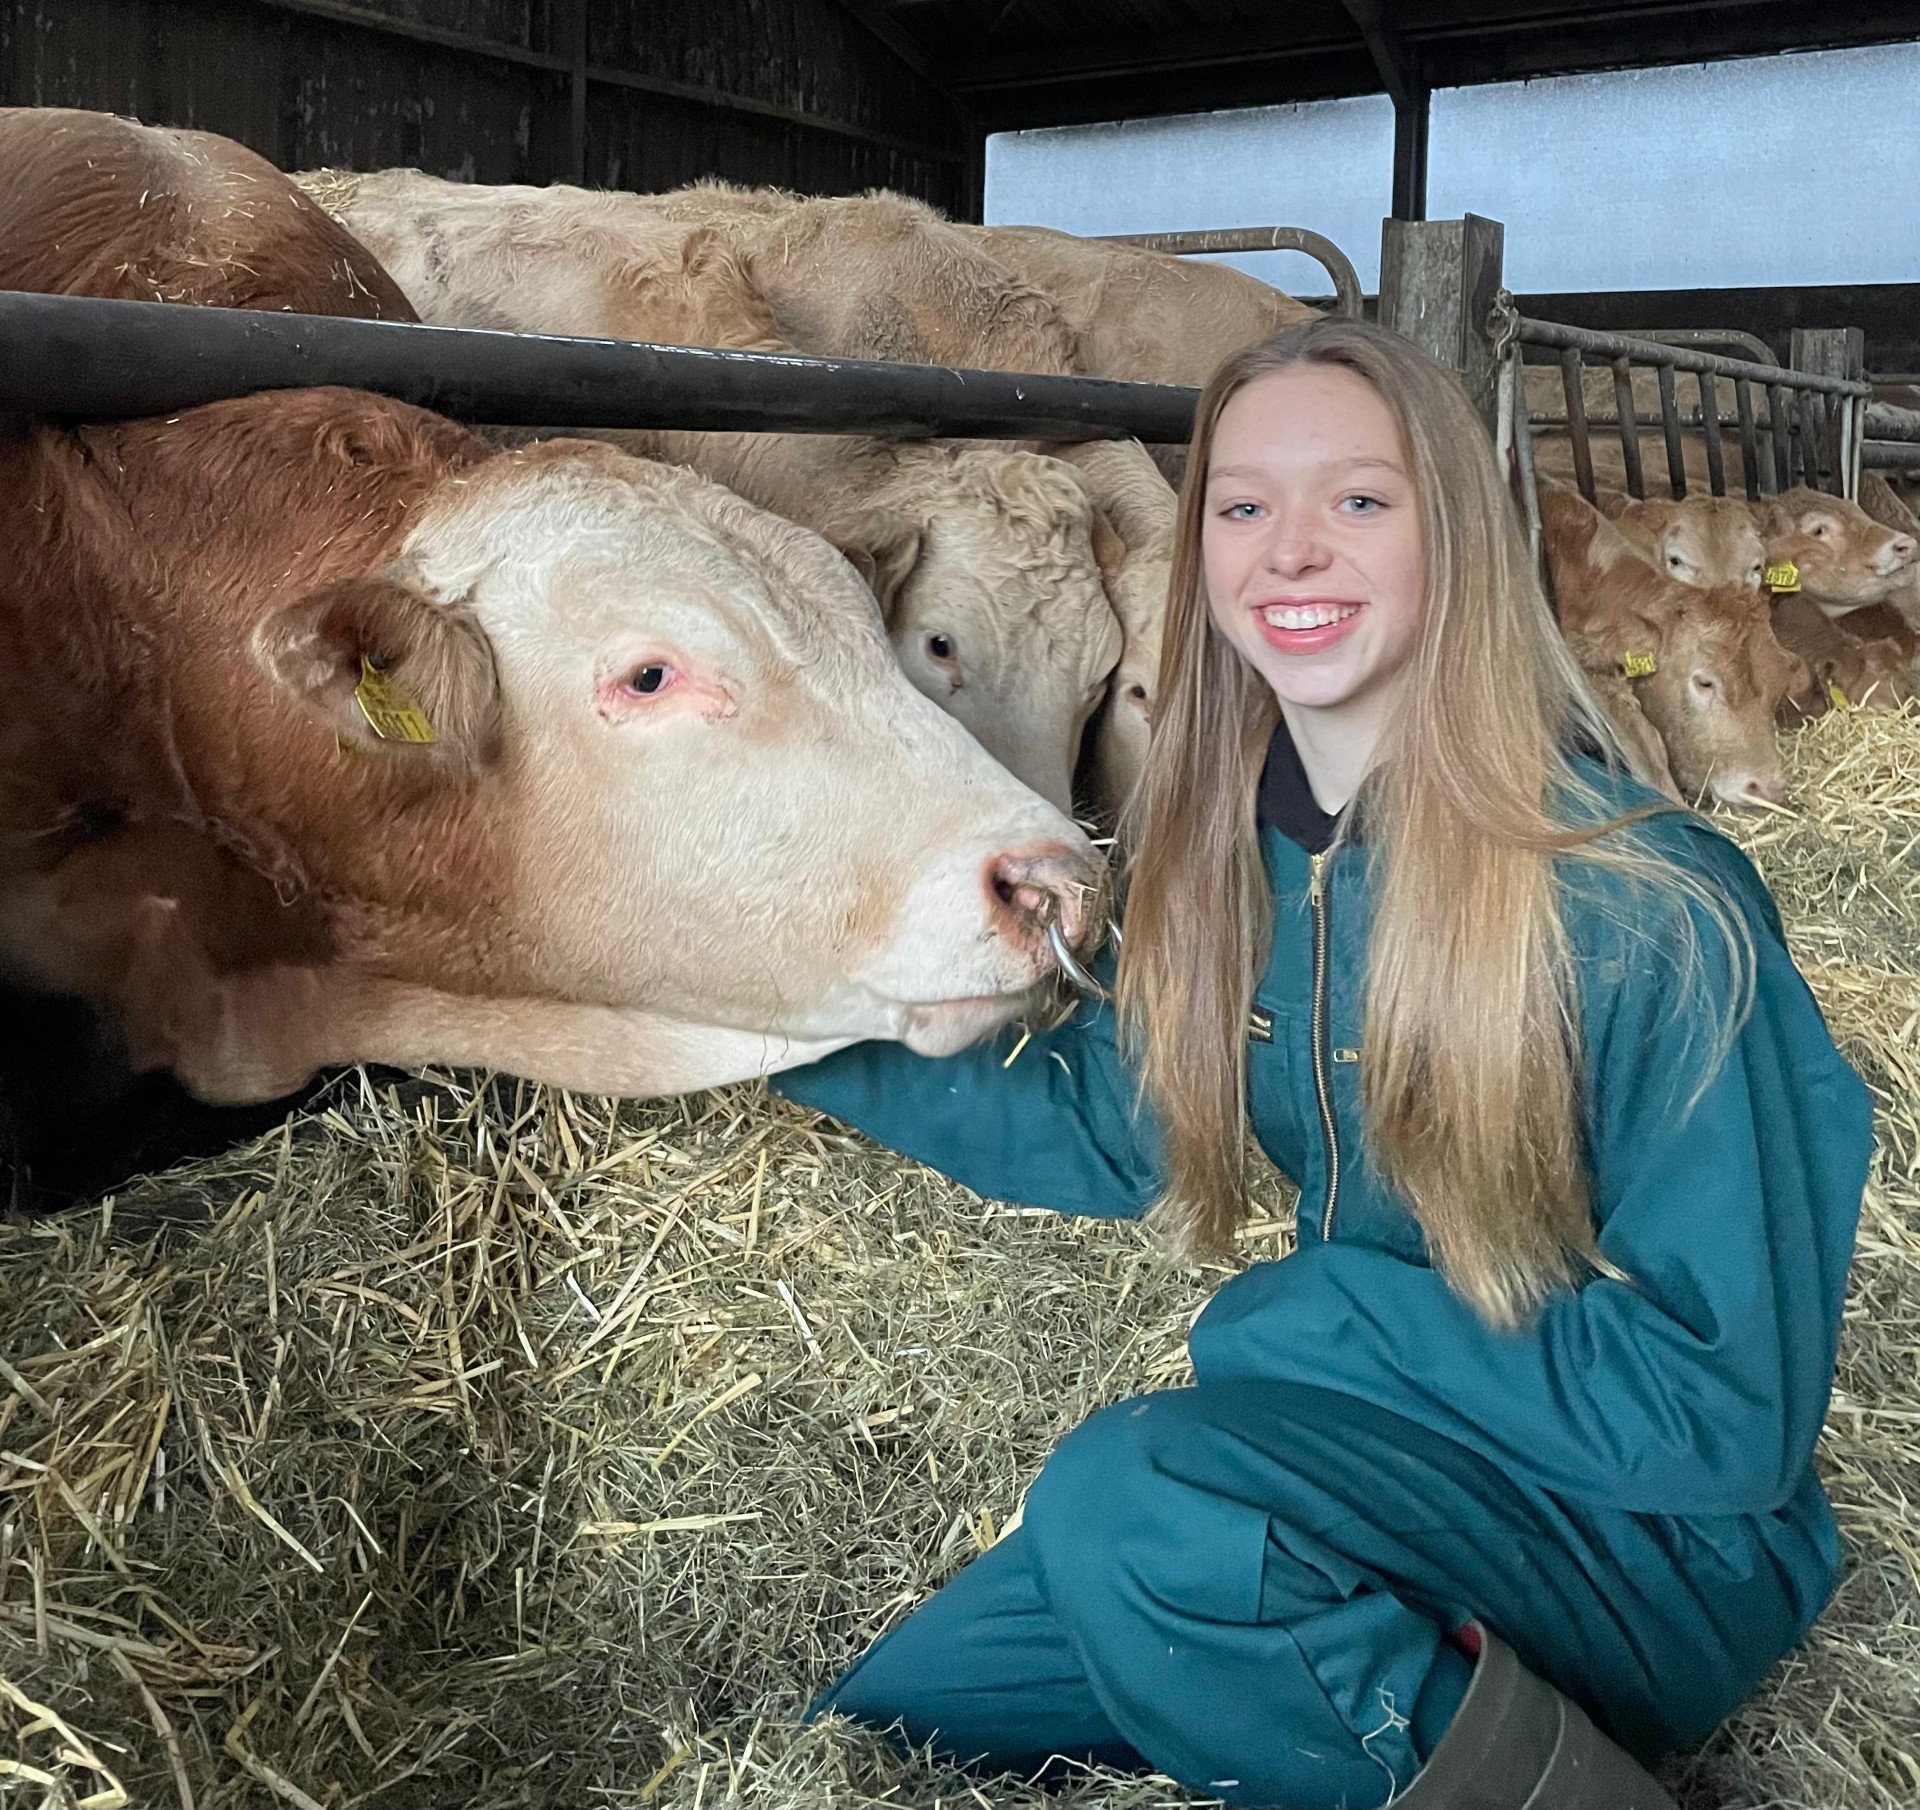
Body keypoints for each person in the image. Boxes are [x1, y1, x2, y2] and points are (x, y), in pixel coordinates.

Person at [771, 318, 1873, 1810]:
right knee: (902, 1713)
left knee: (1131, 1501)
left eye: (1358, 499)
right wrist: (771, 1023)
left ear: (1455, 537)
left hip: (1649, 1536)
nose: (1291, 548)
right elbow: (1114, 1119)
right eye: (1243, 505)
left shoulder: (1649, 909)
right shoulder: (1236, 865)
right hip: (1389, 1458)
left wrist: (1316, 1318)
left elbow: (1723, 1412)